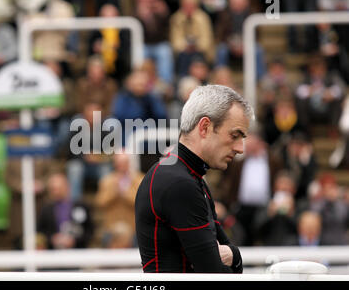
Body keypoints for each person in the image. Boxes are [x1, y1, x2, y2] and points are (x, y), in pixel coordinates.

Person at [135, 84, 253, 273]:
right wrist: (234, 256)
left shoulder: (188, 176)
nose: (240, 148)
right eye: (234, 135)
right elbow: (214, 275)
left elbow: (224, 255)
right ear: (204, 127)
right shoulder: (179, 183)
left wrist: (233, 255)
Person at [95, 152, 144, 248]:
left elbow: (143, 203)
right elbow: (100, 202)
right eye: (119, 163)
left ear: (129, 163)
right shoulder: (107, 180)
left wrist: (126, 194)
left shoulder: (139, 179)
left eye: (124, 163)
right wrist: (114, 192)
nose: (121, 166)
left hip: (133, 229)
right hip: (111, 229)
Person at [37, 172, 93, 250]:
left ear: (67, 187)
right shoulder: (46, 209)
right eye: (53, 189)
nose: (56, 192)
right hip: (53, 253)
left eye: (59, 188)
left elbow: (89, 230)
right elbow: (41, 231)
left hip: (77, 252)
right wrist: (52, 238)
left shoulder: (80, 206)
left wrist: (74, 240)